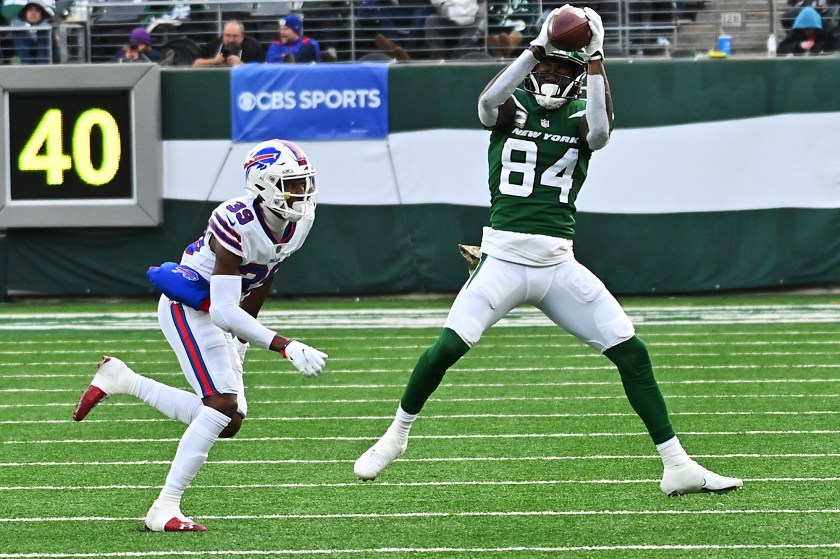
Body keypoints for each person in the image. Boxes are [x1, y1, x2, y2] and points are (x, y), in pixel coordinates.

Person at [354, 6, 744, 498]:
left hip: (557, 264)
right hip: (503, 259)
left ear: (578, 77)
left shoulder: (582, 116)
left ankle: (677, 465)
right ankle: (396, 436)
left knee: (633, 353)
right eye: (550, 66)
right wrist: (536, 48)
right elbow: (486, 101)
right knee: (447, 348)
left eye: (565, 68)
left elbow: (600, 133)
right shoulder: (513, 106)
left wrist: (596, 57)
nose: (556, 74)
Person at [73, 139, 329, 532]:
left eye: (303, 182)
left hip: (223, 310)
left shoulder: (300, 222)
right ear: (264, 184)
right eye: (291, 184)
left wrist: (243, 341)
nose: (301, 192)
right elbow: (223, 309)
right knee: (222, 405)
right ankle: (164, 508)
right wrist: (285, 345)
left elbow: (265, 274)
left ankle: (124, 380)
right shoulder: (235, 220)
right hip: (190, 306)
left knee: (229, 420)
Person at [193, 19, 265, 66]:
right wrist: (213, 61)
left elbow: (260, 70)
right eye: (227, 35)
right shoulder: (214, 45)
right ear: (223, 35)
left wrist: (241, 64)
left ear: (242, 36)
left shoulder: (252, 49)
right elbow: (196, 64)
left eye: (235, 36)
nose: (231, 40)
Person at [10, 0, 55, 64]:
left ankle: (41, 66)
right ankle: (28, 66)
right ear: (25, 13)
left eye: (37, 10)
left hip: (47, 62)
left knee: (44, 31)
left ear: (41, 14)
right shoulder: (18, 27)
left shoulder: (47, 27)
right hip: (26, 63)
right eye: (30, 10)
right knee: (18, 31)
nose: (33, 13)